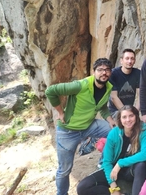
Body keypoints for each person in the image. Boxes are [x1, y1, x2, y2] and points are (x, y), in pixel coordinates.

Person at [45, 58, 116, 195]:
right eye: (100, 70)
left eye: (107, 70)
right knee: (65, 169)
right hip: (68, 131)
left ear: (110, 72)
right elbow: (51, 91)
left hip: (89, 125)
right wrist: (60, 112)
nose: (104, 73)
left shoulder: (108, 87)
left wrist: (110, 119)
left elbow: (102, 106)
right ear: (93, 71)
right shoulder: (80, 85)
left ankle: (104, 163)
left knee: (114, 132)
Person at [77, 106, 146, 195]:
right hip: (114, 170)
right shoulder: (114, 133)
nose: (128, 120)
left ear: (136, 116)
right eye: (124, 117)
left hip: (132, 170)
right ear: (120, 119)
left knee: (141, 165)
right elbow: (107, 162)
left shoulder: (143, 129)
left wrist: (120, 163)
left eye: (131, 116)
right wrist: (113, 186)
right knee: (83, 187)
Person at [108, 49, 141, 118]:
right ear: (121, 60)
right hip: (115, 111)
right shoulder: (113, 74)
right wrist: (127, 114)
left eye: (132, 59)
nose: (129, 61)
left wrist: (136, 112)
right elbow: (114, 97)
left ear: (134, 61)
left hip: (130, 110)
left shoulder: (138, 73)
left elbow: (141, 95)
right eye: (127, 58)